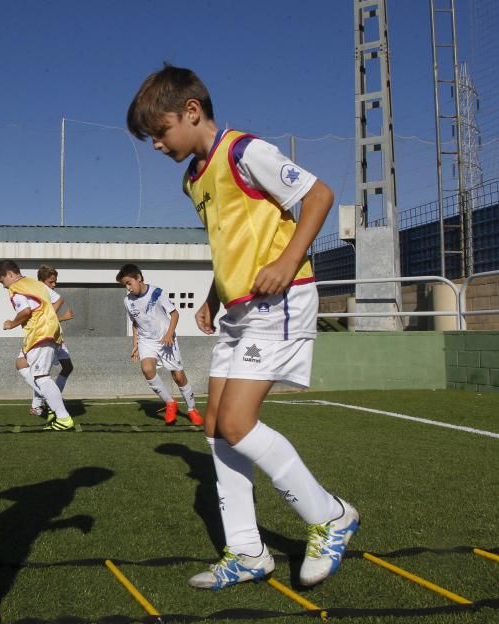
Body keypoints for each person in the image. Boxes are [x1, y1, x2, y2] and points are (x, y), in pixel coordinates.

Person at [126, 64, 358, 589]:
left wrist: (288, 260)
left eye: (160, 132)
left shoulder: (243, 151)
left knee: (235, 423)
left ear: (191, 111)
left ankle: (331, 516)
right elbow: (229, 242)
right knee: (214, 429)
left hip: (278, 301)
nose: (157, 146)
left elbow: (319, 196)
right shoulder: (193, 180)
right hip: (237, 310)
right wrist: (212, 295)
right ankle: (249, 553)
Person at [116, 263, 203, 426]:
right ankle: (170, 403)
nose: (128, 288)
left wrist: (169, 333)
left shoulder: (157, 292)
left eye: (129, 283)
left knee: (178, 376)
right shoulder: (128, 301)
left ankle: (192, 409)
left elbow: (175, 314)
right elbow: (135, 323)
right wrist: (134, 344)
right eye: (125, 285)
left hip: (166, 339)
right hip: (146, 341)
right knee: (147, 369)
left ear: (139, 278)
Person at [0, 260, 74, 431]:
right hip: (47, 331)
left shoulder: (15, 288)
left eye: (2, 281)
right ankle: (51, 402)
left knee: (42, 377)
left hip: (39, 333)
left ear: (9, 274)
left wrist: (11, 323)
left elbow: (25, 311)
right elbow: (56, 299)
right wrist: (50, 316)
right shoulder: (33, 283)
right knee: (23, 364)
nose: (3, 286)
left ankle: (62, 416)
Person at [21, 265, 75, 419]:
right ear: (41, 282)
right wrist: (64, 317)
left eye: (55, 281)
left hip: (54, 336)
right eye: (51, 282)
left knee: (67, 367)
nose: (54, 285)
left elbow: (48, 318)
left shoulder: (47, 295)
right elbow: (42, 319)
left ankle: (47, 400)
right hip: (41, 338)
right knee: (37, 372)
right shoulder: (39, 295)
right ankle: (42, 403)